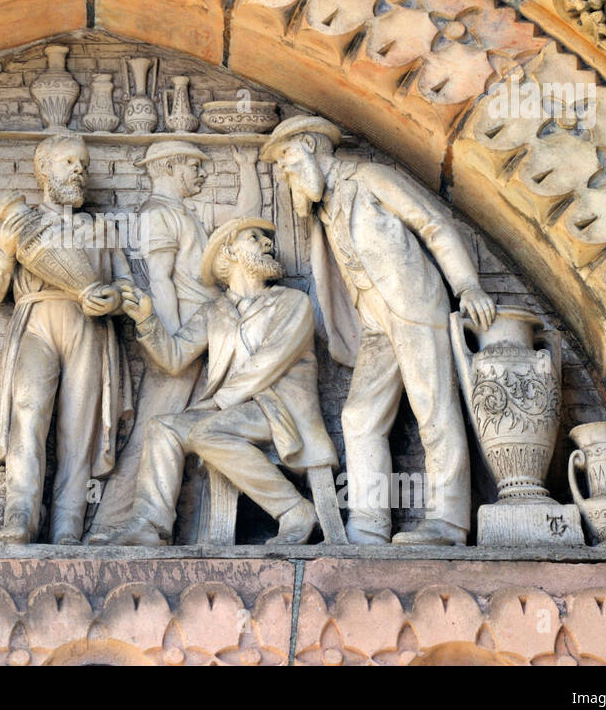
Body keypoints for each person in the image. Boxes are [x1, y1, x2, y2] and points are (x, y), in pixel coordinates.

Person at [261, 115, 496, 546]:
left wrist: (467, 286)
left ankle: (448, 521)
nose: (284, 171)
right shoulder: (323, 207)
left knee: (434, 409)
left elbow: (433, 224)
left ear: (312, 146)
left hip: (414, 305)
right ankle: (368, 526)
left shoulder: (370, 177)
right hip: (373, 322)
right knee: (358, 416)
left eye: (287, 157)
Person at [113, 218, 341, 546]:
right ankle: (150, 525)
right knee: (163, 427)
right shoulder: (215, 311)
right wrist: (146, 319)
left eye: (266, 239)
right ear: (229, 252)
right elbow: (175, 357)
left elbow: (270, 361)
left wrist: (216, 404)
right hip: (234, 412)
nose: (267, 244)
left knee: (206, 431)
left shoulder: (292, 303)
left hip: (281, 409)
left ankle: (295, 510)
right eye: (254, 237)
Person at [89, 140, 260, 543]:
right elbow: (159, 279)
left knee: (190, 431)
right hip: (179, 337)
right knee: (156, 427)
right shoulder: (158, 214)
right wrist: (167, 345)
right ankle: (112, 525)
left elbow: (244, 215)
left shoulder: (190, 212)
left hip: (205, 338)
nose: (202, 174)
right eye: (194, 167)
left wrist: (247, 163)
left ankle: (189, 529)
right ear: (169, 168)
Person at [0, 133, 133, 544]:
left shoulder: (100, 228)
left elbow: (126, 287)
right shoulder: (21, 224)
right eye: (69, 163)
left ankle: (68, 523)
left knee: (78, 428)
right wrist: (5, 251)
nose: (79, 171)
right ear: (44, 169)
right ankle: (21, 514)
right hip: (36, 318)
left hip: (89, 327)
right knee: (28, 413)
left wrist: (115, 299)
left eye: (82, 164)